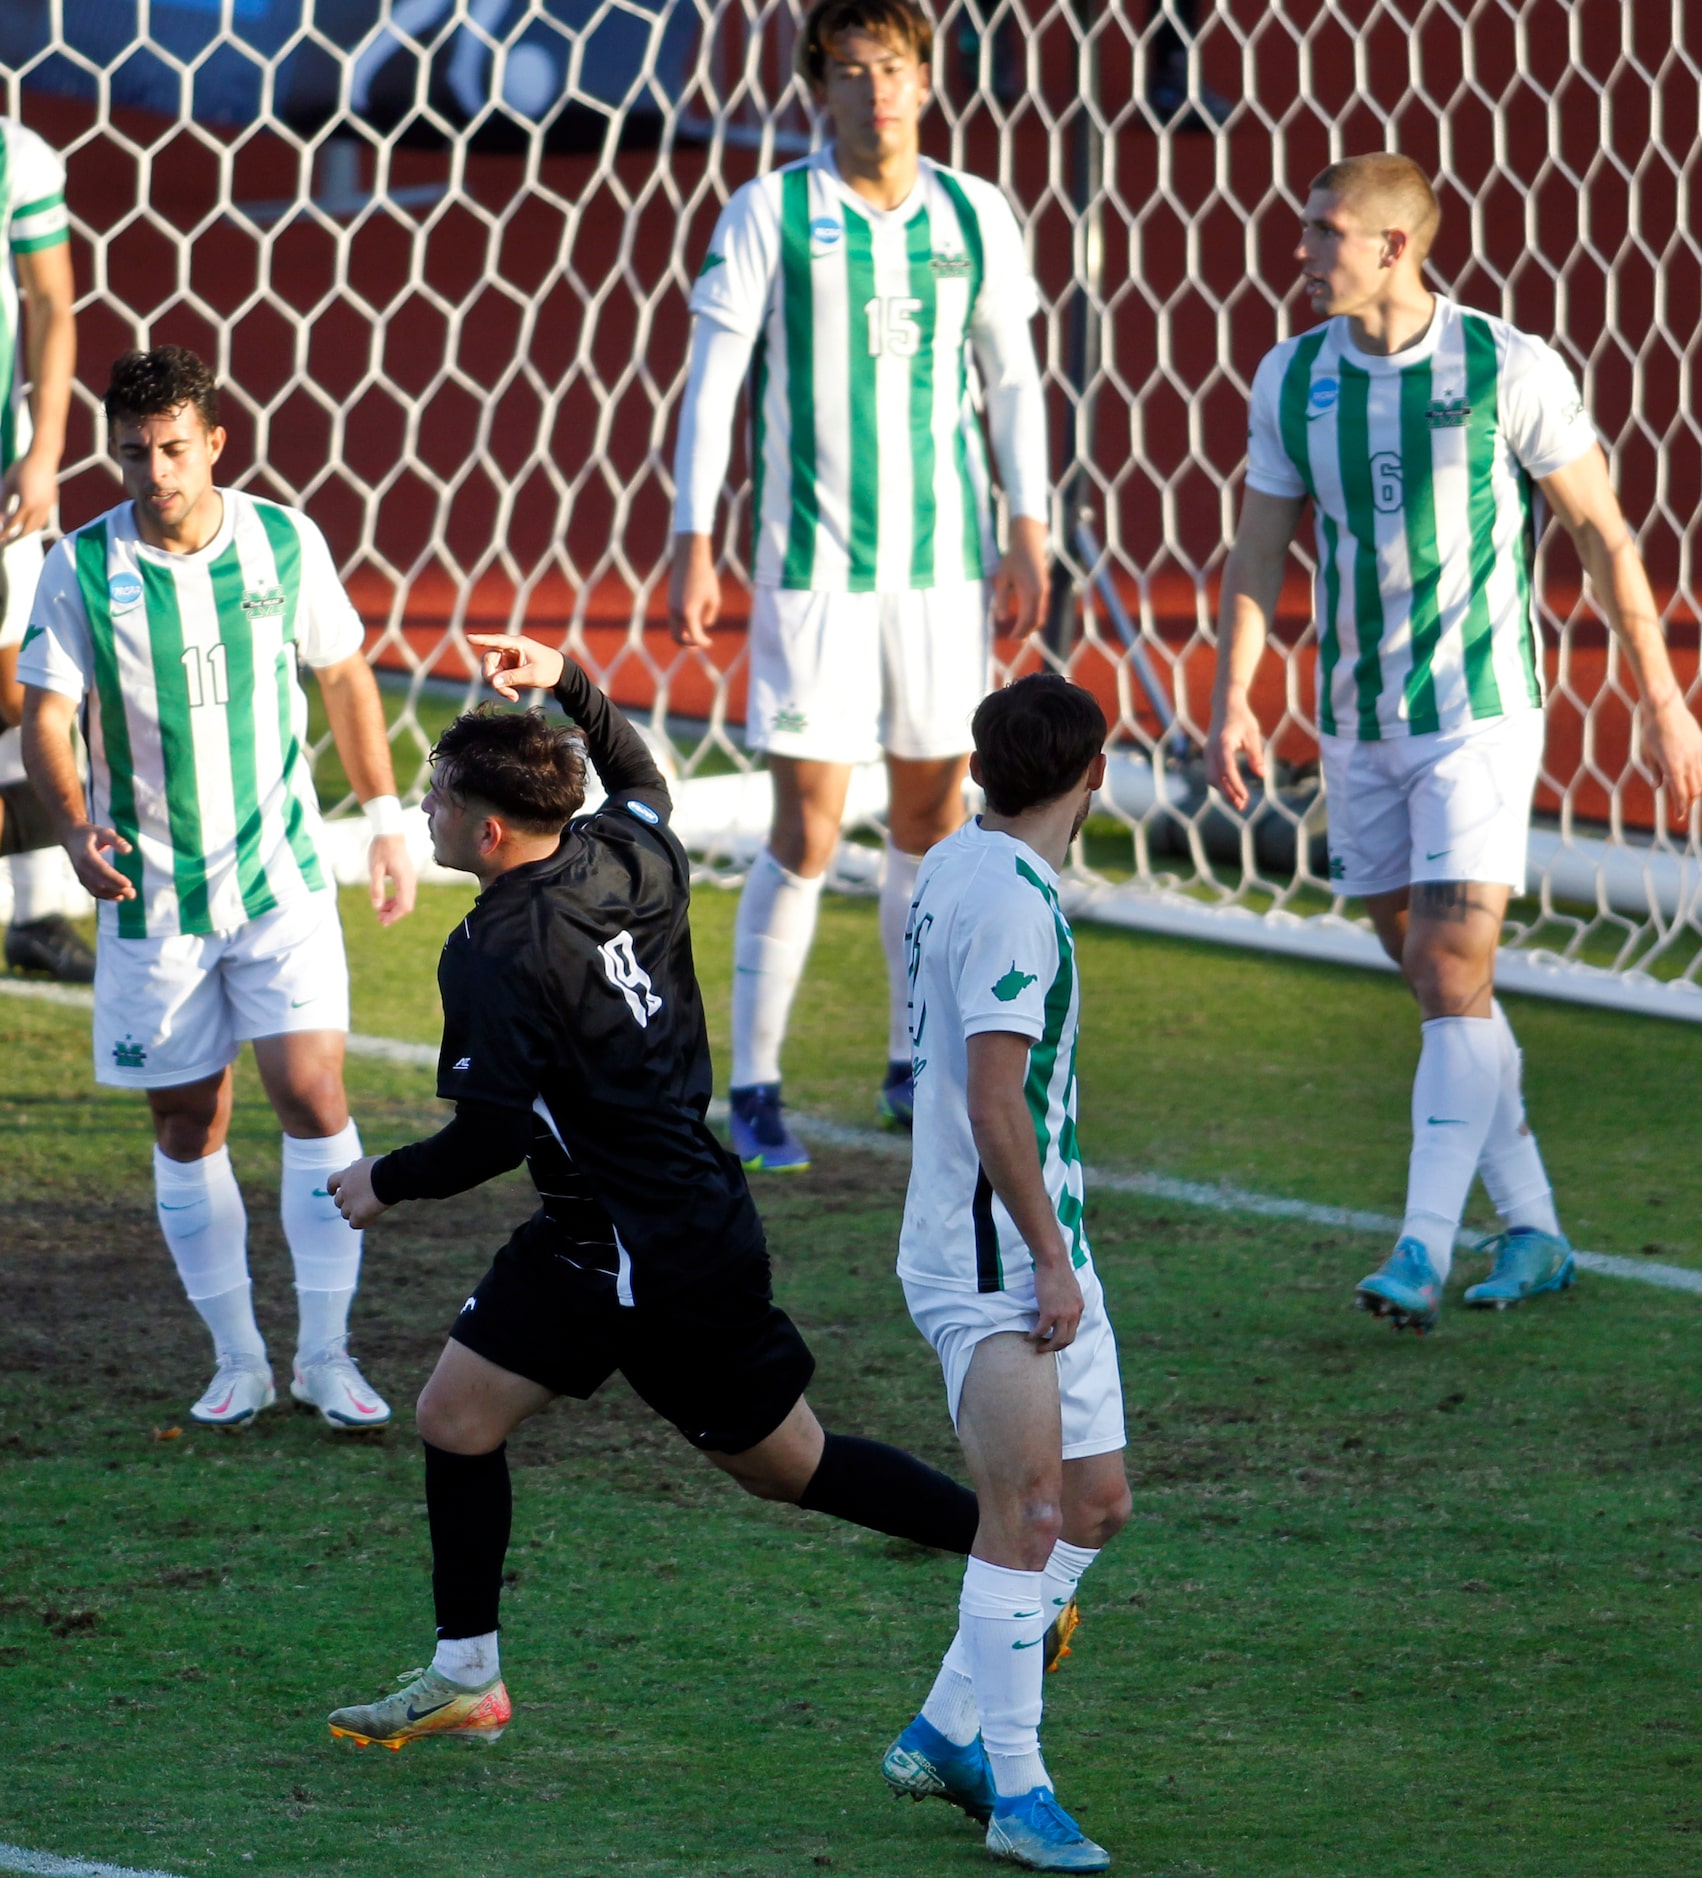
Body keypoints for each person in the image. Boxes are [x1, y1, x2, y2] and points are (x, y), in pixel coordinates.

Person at [321, 635, 985, 1750]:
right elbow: (641, 778)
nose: (426, 809)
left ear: (489, 832)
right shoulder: (624, 850)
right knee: (454, 1415)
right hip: (594, 1234)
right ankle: (466, 1674)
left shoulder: (492, 950)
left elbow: (487, 1130)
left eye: (438, 798)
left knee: (787, 1468)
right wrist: (570, 682)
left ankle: (1018, 1551)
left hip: (663, 1254)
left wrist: (379, 1183)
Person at [1205, 153, 1702, 1334]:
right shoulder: (1291, 377)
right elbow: (1258, 551)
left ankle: (1420, 1250)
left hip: (1478, 715)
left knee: (1445, 966)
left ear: (1394, 247)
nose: (1302, 250)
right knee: (1442, 988)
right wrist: (1235, 696)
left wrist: (1661, 698)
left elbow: (1603, 534)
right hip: (1352, 719)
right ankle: (1532, 1223)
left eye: (1325, 232)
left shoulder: (1506, 366)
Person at [669, 0, 1050, 1170]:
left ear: (928, 80)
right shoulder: (769, 212)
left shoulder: (975, 214)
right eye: (849, 71)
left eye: (893, 68)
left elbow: (1014, 381)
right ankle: (756, 1087)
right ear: (815, 89)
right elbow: (714, 380)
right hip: (811, 574)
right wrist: (693, 533)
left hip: (943, 576)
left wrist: (1028, 525)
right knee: (807, 828)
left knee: (936, 825)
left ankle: (908, 1058)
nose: (874, 91)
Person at [19, 345, 417, 1426]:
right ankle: (238, 1356)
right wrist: (69, 826)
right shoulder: (81, 567)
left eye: (176, 450)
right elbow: (48, 714)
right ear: (116, 451)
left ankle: (326, 1356)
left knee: (313, 1097)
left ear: (216, 444)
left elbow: (341, 673)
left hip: (279, 880)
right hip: (150, 902)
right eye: (137, 454)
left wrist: (383, 821)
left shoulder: (285, 540)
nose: (157, 474)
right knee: (189, 1124)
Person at [883, 673, 1130, 1873]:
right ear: (1094, 775)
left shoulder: (953, 861)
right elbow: (995, 1102)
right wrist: (1045, 1260)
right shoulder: (1017, 909)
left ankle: (944, 1723)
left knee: (1094, 1506)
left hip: (1037, 1243)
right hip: (997, 1257)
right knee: (1027, 1516)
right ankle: (1019, 1796)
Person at [0, 112, 88, 982]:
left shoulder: (15, 156)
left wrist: (42, 453)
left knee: (23, 693)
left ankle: (37, 910)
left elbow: (52, 303)